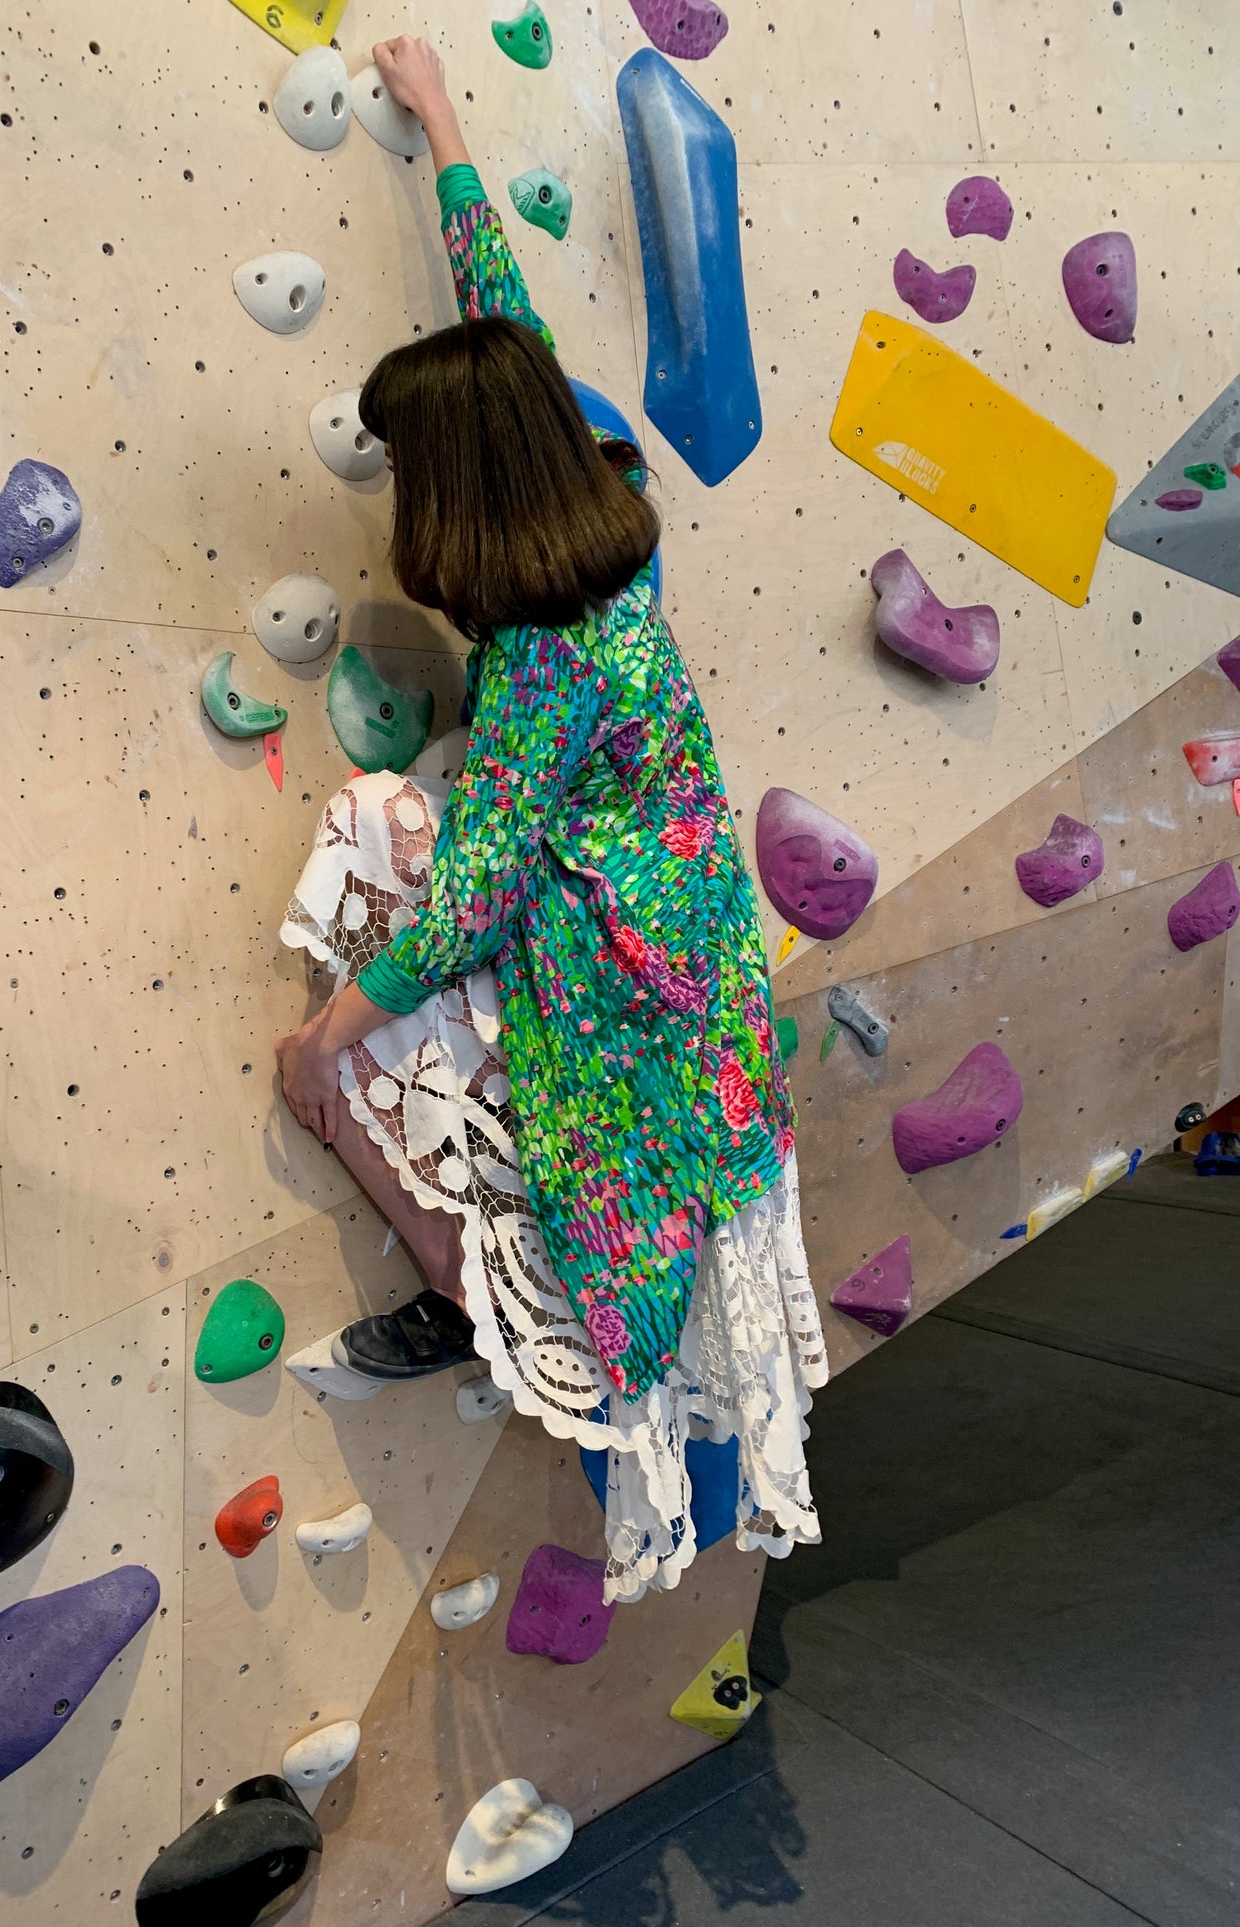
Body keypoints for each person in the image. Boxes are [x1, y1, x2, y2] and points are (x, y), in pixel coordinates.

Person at [276, 35, 827, 1604]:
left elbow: (471, 901)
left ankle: (489, 1313)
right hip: (699, 952)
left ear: (449, 488)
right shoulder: (608, 532)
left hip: (632, 1003)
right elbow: (499, 321)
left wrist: (323, 1046)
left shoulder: (540, 669)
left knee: (569, 1220)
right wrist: (442, 125)